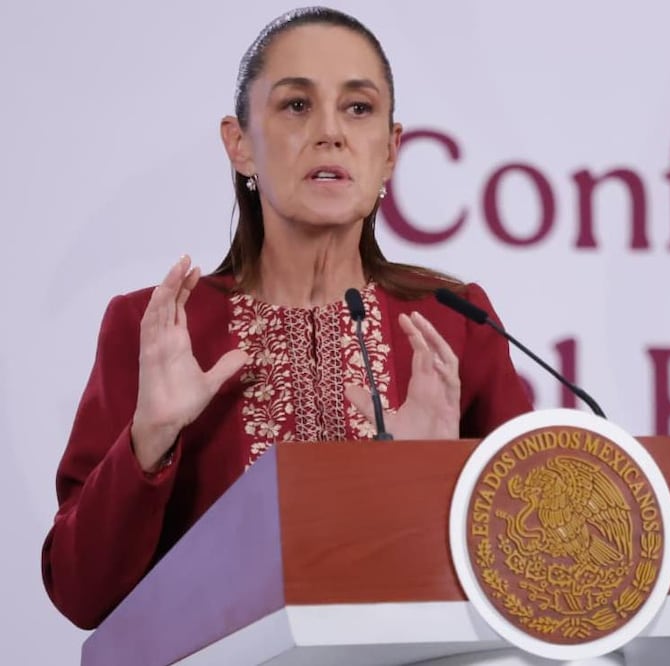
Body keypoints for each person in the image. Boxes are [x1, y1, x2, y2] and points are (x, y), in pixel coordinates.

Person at [41, 6, 533, 630]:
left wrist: (431, 483)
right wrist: (149, 441)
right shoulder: (157, 328)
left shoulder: (454, 323)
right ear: (239, 144)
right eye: (296, 105)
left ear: (390, 151)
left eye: (359, 108)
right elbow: (80, 596)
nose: (330, 133)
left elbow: (538, 568)